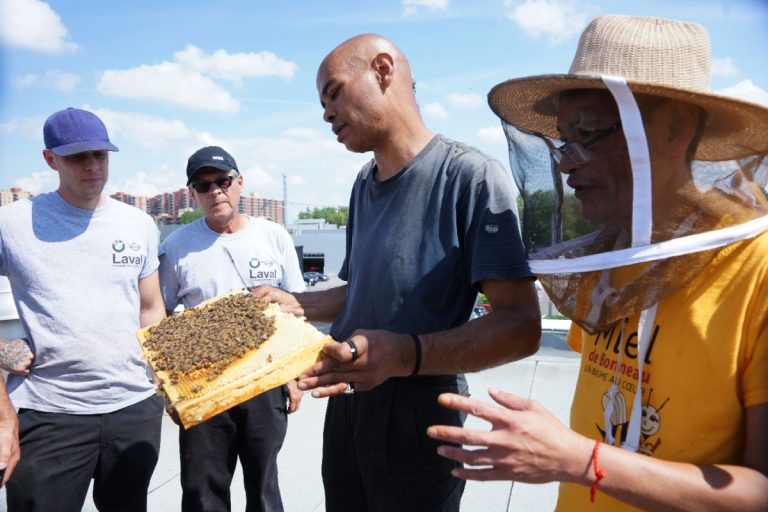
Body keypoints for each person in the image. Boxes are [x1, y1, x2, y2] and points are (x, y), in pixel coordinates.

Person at [427, 15, 768, 511]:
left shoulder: (757, 270)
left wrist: (577, 459)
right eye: (563, 140)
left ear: (674, 129)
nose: (565, 162)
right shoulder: (607, 258)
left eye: (586, 132)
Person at [253, 34, 541, 511]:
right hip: (347, 406)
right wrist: (297, 304)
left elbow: (521, 326)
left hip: (420, 413)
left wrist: (403, 355)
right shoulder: (363, 184)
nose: (326, 114)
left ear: (383, 70)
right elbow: (363, 291)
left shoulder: (470, 176)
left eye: (334, 93)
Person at [0, 107, 166, 511]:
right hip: (49, 413)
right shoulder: (11, 224)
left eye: (100, 155)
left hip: (134, 409)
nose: (92, 166)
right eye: (77, 157)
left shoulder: (138, 224)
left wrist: (168, 381)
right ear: (50, 159)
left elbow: (150, 308)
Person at [158, 145, 306, 512]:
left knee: (264, 488)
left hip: (265, 380)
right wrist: (170, 388)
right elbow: (161, 318)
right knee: (203, 492)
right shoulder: (176, 246)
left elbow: (297, 309)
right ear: (193, 194)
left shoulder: (274, 236)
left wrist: (294, 376)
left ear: (239, 182)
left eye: (222, 181)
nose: (215, 192)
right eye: (203, 186)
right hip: (203, 384)